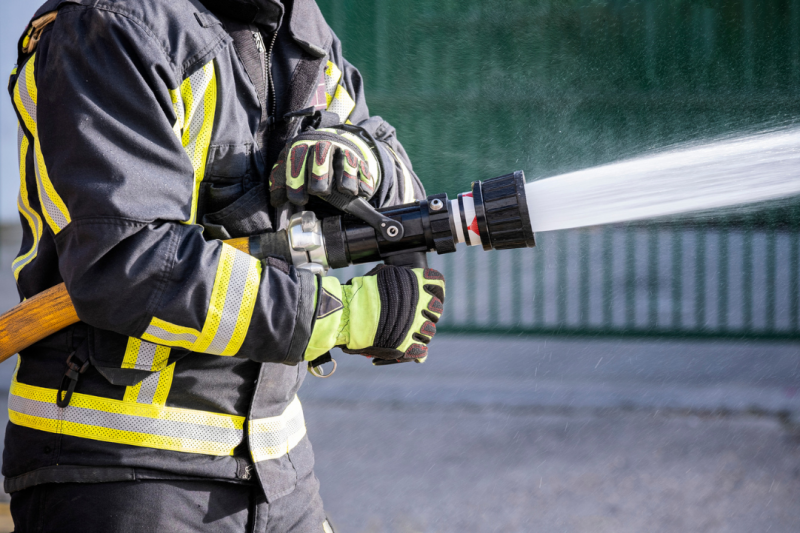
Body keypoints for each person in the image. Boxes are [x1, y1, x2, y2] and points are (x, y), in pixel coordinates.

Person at [4, 0, 446, 531]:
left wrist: (362, 160)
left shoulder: (297, 26)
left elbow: (390, 170)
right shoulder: (110, 25)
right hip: (121, 469)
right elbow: (128, 263)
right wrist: (329, 316)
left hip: (278, 463)